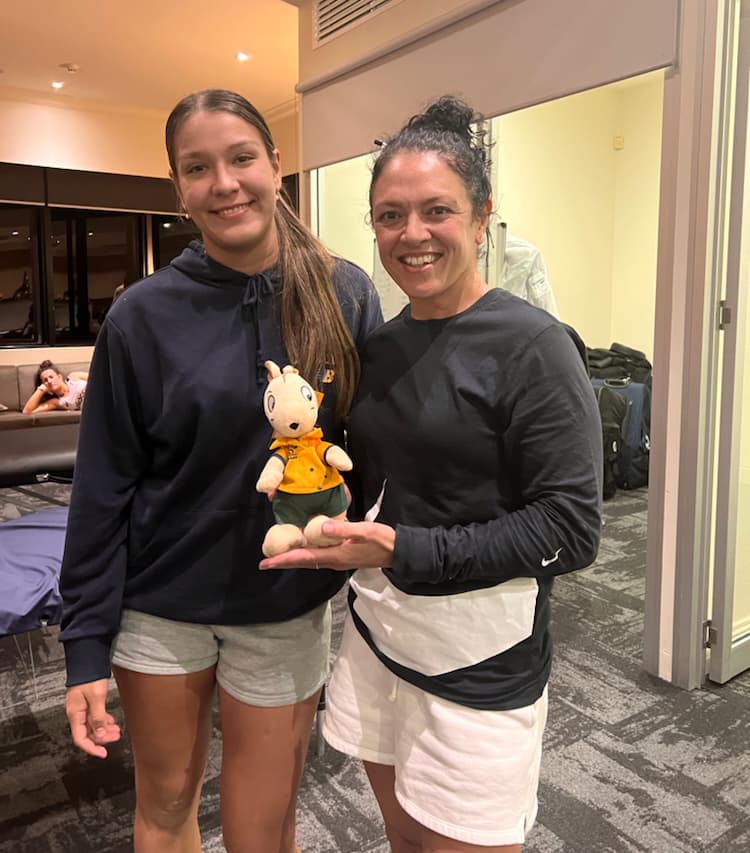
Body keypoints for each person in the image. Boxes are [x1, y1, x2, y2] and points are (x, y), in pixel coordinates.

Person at [260, 95, 603, 853]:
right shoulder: (380, 346)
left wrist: (406, 551)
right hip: (381, 636)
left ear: (482, 218)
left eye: (436, 210)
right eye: (389, 215)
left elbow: (573, 530)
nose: (411, 234)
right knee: (404, 839)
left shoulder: (535, 347)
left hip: (480, 662)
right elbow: (379, 481)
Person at [58, 88, 382, 853]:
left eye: (241, 158)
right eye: (197, 168)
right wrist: (85, 645)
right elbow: (103, 488)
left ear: (276, 164)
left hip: (283, 602)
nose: (224, 183)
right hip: (160, 607)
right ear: (178, 188)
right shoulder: (141, 315)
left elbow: (378, 451)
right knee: (166, 804)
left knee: (261, 826)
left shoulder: (341, 293)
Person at [22, 360, 88, 414]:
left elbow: (96, 379)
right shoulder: (56, 402)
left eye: (51, 377)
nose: (49, 381)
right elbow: (27, 412)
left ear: (60, 377)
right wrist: (41, 389)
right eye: (45, 380)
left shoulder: (74, 377)